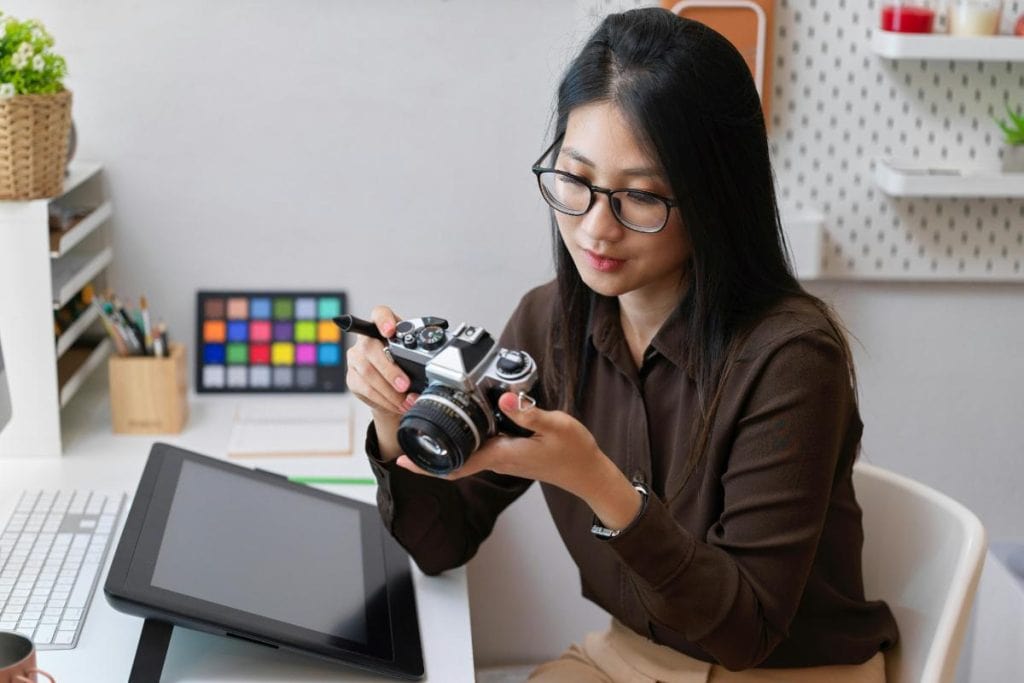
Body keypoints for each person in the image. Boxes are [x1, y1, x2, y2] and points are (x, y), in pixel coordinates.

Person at [346, 7, 898, 682]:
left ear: (714, 197)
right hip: (629, 655)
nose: (596, 228)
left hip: (787, 672)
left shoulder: (791, 359)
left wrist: (596, 481)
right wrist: (392, 420)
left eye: (640, 197)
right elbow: (443, 543)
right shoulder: (550, 323)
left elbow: (745, 631)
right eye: (574, 180)